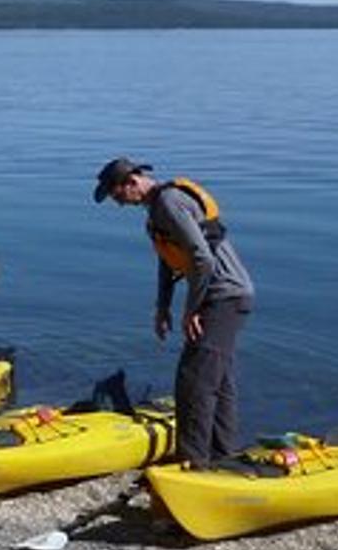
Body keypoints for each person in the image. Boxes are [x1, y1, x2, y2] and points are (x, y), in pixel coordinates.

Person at [95, 156, 256, 467]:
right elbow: (168, 261)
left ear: (132, 182)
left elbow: (202, 259)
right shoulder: (155, 213)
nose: (117, 203)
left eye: (116, 195)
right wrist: (163, 306)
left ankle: (193, 463)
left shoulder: (169, 202)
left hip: (224, 296)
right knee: (217, 380)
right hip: (226, 296)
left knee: (194, 380)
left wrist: (190, 310)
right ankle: (222, 456)